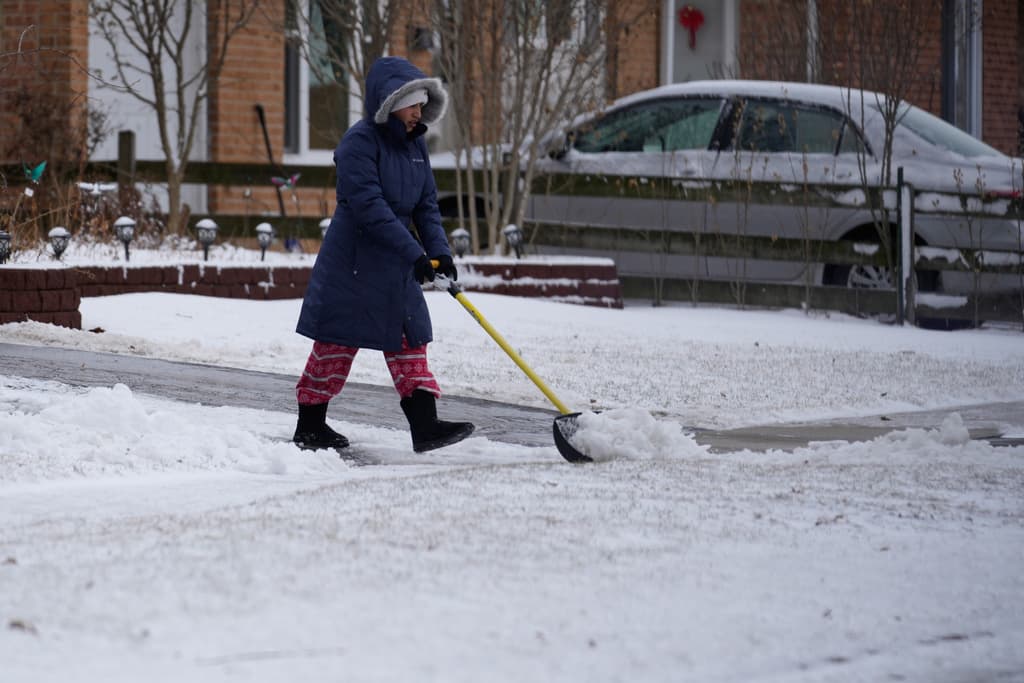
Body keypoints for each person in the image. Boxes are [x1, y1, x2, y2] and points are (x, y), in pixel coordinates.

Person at [292, 56, 474, 454]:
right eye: (412, 105)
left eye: (422, 105)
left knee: (410, 339)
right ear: (391, 103)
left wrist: (439, 253)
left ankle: (425, 426)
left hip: (395, 262)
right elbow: (370, 207)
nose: (418, 113)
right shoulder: (358, 144)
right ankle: (310, 426)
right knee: (336, 344)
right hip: (354, 263)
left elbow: (426, 204)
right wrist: (415, 254)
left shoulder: (415, 146)